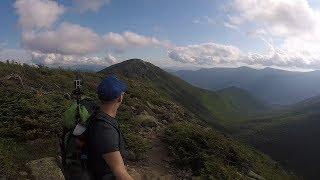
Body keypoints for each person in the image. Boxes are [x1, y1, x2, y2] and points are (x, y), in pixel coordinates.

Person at [86, 75, 133, 180]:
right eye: (122, 93)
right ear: (119, 98)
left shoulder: (98, 114)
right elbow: (120, 173)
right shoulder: (105, 129)